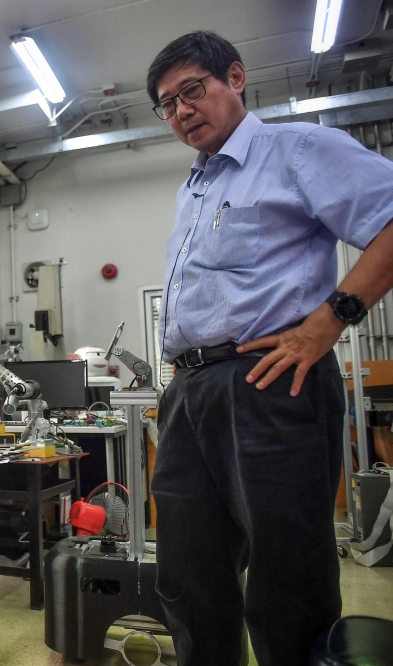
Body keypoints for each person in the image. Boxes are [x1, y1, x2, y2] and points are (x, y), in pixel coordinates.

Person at [146, 31, 393, 666]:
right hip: (190, 391)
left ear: (235, 77)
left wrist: (331, 318)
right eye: (167, 104)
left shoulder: (297, 149)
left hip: (269, 379)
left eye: (192, 91)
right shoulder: (192, 190)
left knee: (287, 576)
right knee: (188, 574)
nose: (181, 111)